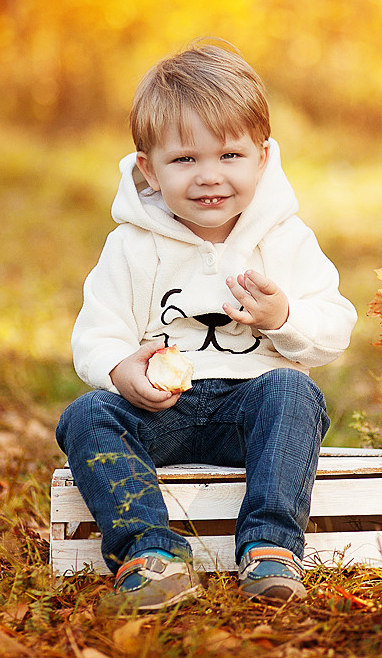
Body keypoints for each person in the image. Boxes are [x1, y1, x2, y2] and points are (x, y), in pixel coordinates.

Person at [56, 41, 357, 613]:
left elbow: (335, 328)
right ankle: (150, 555)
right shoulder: (131, 246)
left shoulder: (284, 240)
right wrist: (122, 370)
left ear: (263, 158)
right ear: (148, 168)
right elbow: (96, 333)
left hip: (254, 411)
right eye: (185, 159)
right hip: (160, 413)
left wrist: (283, 318)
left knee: (294, 390)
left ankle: (271, 548)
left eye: (229, 156)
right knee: (86, 414)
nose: (209, 177)